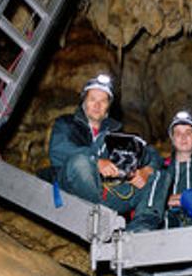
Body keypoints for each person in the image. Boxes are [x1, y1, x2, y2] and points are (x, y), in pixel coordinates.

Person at [48, 73, 162, 215]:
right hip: (70, 187)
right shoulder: (66, 124)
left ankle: (141, 226)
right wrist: (96, 161)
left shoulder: (116, 134)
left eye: (103, 101)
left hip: (107, 193)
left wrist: (146, 171)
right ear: (84, 102)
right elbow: (59, 151)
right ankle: (97, 216)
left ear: (108, 106)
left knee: (159, 177)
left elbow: (150, 153)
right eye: (93, 99)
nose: (97, 105)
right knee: (81, 163)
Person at [127, 110, 192, 232]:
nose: (183, 137)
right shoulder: (159, 169)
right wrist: (161, 200)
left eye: (188, 133)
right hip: (165, 231)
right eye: (178, 133)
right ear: (172, 139)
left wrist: (188, 199)